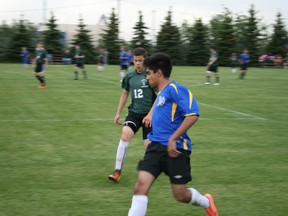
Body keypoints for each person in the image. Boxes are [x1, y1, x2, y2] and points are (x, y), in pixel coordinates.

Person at [127, 53, 218, 216]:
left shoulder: (176, 89)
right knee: (140, 186)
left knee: (180, 195)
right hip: (155, 147)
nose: (147, 77)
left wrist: (173, 138)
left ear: (159, 73)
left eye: (149, 73)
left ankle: (206, 202)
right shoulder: (160, 94)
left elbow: (193, 114)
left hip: (176, 149)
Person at [108, 48, 156, 182]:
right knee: (125, 135)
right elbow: (125, 94)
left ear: (145, 60)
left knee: (149, 147)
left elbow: (159, 97)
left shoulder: (151, 75)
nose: (138, 63)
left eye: (140, 60)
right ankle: (117, 171)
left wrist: (151, 114)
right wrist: (118, 113)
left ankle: (152, 169)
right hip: (134, 113)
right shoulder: (129, 76)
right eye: (135, 61)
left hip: (150, 116)